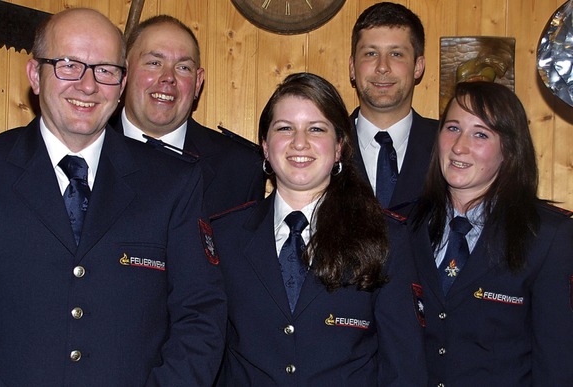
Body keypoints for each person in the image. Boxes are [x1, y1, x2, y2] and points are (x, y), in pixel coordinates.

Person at [0, 8, 226, 386]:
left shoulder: (172, 183)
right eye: (68, 64)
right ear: (35, 75)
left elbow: (200, 315)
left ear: (121, 85)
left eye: (104, 70)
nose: (88, 86)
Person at [211, 72, 426, 385]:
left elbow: (404, 368)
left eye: (316, 129)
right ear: (266, 147)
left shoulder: (385, 237)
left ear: (338, 147)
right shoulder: (224, 236)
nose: (300, 142)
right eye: (285, 128)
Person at [410, 81, 573, 386]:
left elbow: (558, 365)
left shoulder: (549, 237)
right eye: (453, 128)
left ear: (509, 150)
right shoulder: (405, 227)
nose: (460, 146)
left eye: (480, 134)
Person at [114, 15, 265, 216]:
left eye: (183, 67)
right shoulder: (84, 152)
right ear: (124, 73)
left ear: (198, 82)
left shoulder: (240, 170)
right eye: (154, 63)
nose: (168, 77)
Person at [349, 2, 438, 210]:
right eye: (371, 53)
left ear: (418, 67)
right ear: (352, 67)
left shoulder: (448, 146)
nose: (382, 67)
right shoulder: (324, 145)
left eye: (396, 54)